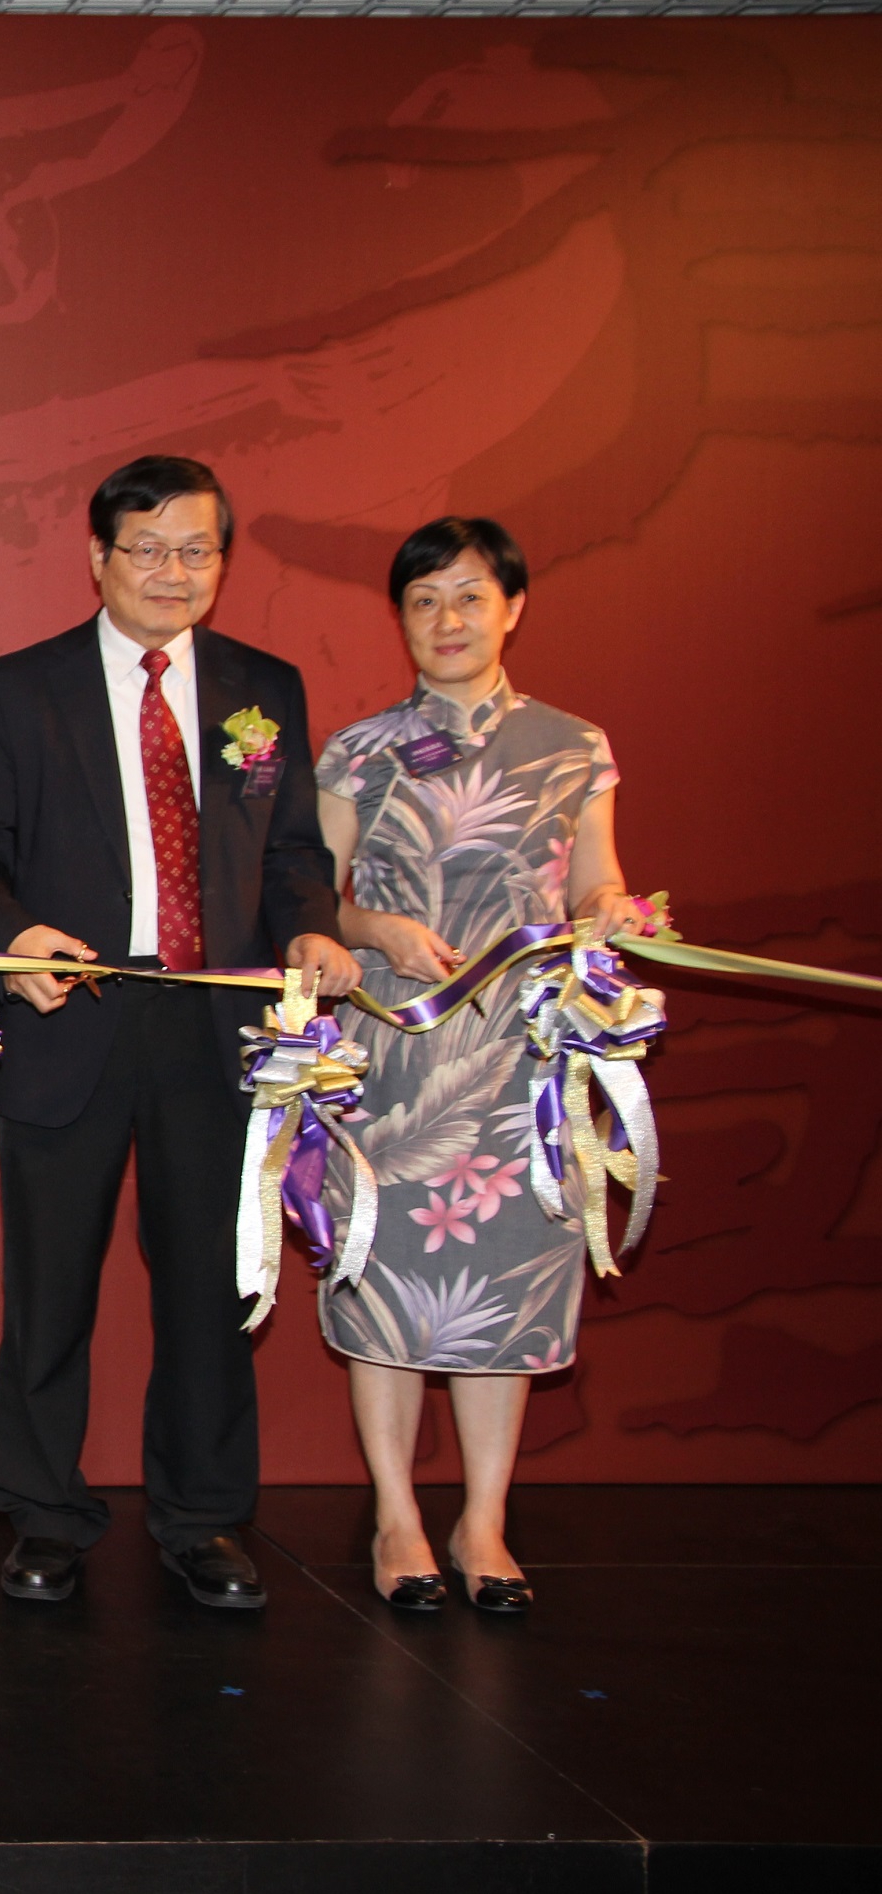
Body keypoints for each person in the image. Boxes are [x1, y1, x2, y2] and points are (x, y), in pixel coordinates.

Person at [0, 454, 351, 1611]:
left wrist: (310, 929)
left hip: (218, 1025)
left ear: (223, 558)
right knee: (52, 1287)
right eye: (150, 549)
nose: (175, 571)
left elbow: (293, 855)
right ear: (97, 556)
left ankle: (204, 1517)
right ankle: (44, 1512)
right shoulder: (22, 687)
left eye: (199, 549)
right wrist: (17, 942)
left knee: (211, 1293)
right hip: (75, 1012)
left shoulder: (262, 689)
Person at [315, 517, 656, 1616]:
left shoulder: (574, 744)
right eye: (424, 601)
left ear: (513, 606)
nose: (447, 621)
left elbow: (598, 881)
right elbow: (317, 899)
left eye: (469, 597)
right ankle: (399, 1514)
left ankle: (485, 1518)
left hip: (521, 1057)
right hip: (394, 1049)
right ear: (400, 616)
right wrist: (376, 930)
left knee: (501, 1280)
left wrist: (615, 914)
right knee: (384, 1275)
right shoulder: (359, 751)